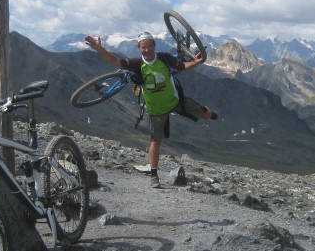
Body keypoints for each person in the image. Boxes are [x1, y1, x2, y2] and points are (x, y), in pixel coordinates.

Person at [84, 32, 219, 188]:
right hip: (156, 110)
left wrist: (195, 62)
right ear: (139, 48)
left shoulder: (164, 58)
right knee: (155, 141)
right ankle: (154, 176)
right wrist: (99, 49)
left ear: (154, 46)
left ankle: (213, 115)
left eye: (149, 46)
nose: (147, 50)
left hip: (175, 101)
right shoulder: (136, 63)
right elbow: (114, 61)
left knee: (205, 113)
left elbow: (182, 66)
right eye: (143, 47)